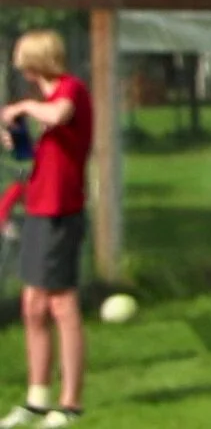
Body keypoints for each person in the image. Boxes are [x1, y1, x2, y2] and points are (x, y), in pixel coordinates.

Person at [0, 31, 94, 428]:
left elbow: (59, 116)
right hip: (37, 208)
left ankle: (69, 403)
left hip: (62, 211)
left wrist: (23, 106)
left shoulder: (70, 91)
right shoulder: (40, 106)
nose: (20, 67)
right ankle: (37, 398)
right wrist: (14, 140)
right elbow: (27, 163)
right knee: (32, 306)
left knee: (61, 305)